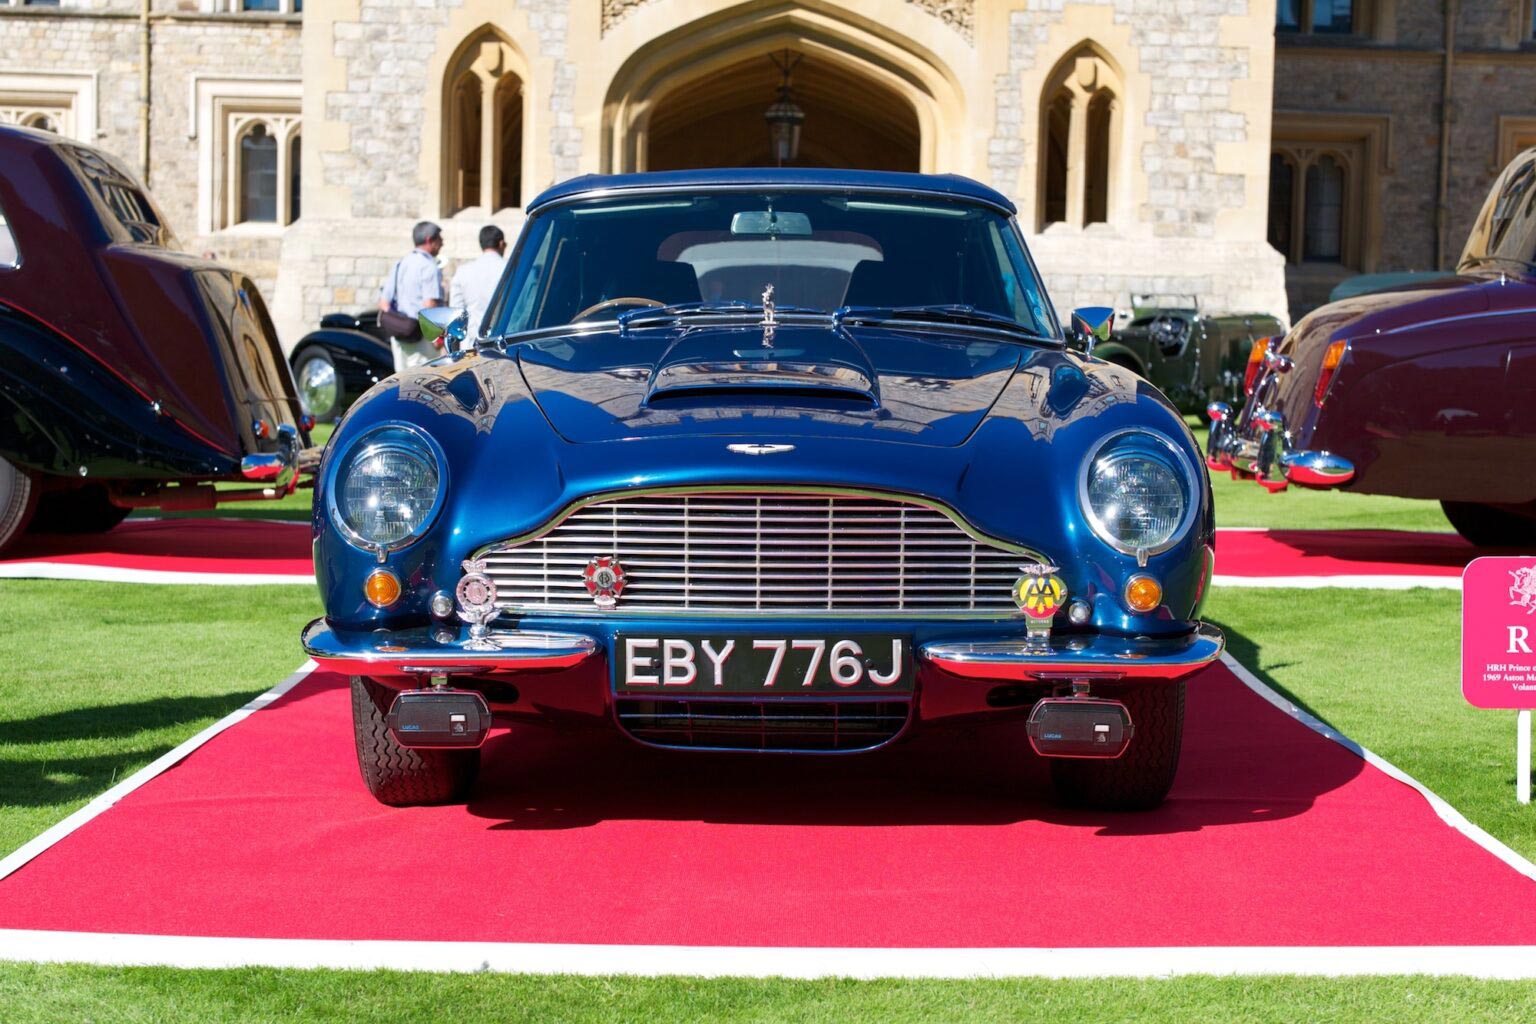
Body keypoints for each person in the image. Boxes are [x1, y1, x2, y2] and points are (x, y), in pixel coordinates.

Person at [378, 220, 444, 371]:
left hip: (400, 335)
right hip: (420, 337)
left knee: (402, 383)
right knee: (424, 383)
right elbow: (430, 305)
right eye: (439, 239)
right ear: (429, 240)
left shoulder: (400, 264)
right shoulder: (429, 267)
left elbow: (383, 303)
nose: (442, 243)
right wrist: (436, 337)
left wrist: (399, 324)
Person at [449, 224, 508, 338]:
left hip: (472, 341)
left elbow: (456, 311)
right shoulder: (510, 269)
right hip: (503, 340)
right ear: (501, 243)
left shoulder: (463, 271)